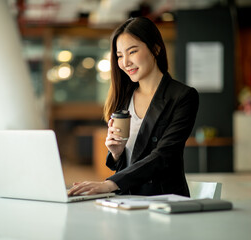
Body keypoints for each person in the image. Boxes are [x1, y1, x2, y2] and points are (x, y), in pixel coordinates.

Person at [68, 16, 199, 197]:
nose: (125, 62)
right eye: (120, 56)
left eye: (132, 52)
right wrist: (116, 153)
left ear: (155, 48)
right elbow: (128, 161)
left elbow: (164, 155)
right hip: (127, 198)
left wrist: (110, 183)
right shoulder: (124, 98)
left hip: (164, 200)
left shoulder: (182, 96)